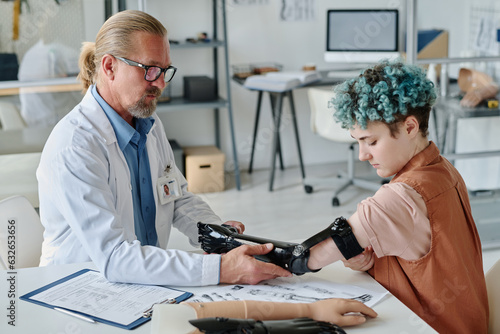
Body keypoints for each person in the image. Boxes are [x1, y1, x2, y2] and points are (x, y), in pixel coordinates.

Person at [36, 10, 292, 287]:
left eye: (165, 70)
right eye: (150, 69)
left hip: (142, 279)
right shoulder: (75, 146)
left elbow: (175, 196)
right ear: (109, 67)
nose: (160, 83)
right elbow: (114, 258)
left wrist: (214, 233)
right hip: (80, 288)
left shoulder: (147, 121)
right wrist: (219, 269)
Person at [303, 60, 489, 333]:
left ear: (410, 127)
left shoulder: (399, 198)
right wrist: (371, 261)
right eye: (358, 141)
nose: (362, 155)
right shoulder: (445, 170)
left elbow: (307, 258)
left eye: (371, 141)